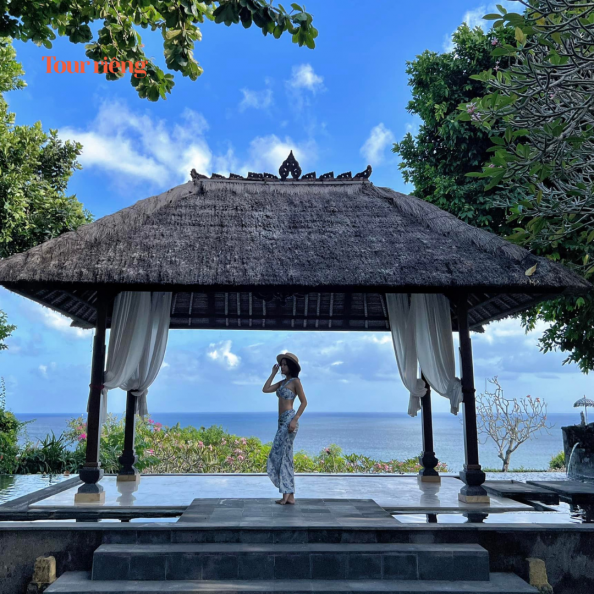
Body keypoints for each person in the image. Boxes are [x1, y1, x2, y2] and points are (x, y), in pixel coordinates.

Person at [262, 352, 308, 505]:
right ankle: (290, 495)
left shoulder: (296, 382)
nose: (282, 367)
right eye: (281, 364)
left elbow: (304, 402)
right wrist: (273, 373)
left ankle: (286, 494)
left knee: (282, 455)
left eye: (284, 365)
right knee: (284, 456)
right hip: (281, 421)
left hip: (289, 420)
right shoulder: (282, 383)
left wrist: (295, 420)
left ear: (291, 366)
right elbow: (265, 389)